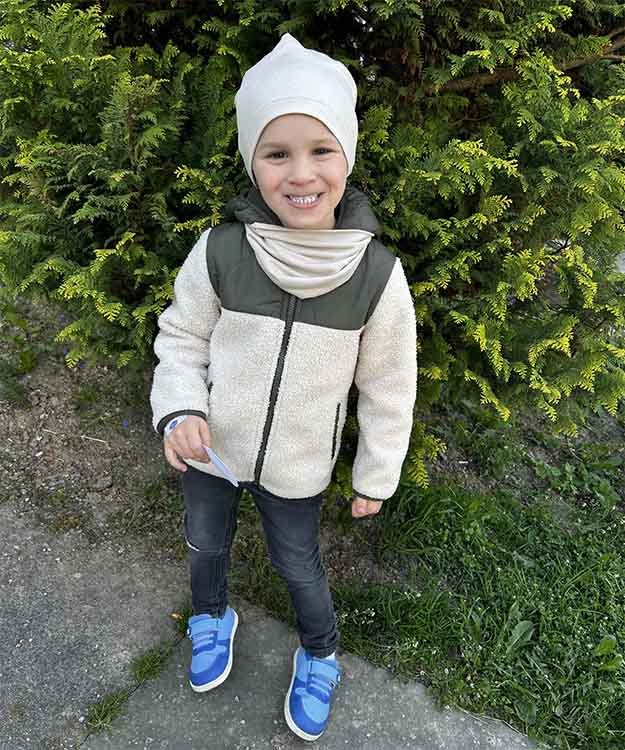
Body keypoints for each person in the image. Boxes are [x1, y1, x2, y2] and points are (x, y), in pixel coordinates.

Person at [149, 33, 417, 742]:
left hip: (300, 464)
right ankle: (211, 616)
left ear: (347, 156)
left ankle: (320, 653)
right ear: (252, 161)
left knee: (298, 563)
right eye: (276, 153)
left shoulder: (377, 276)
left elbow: (389, 386)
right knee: (204, 542)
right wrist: (179, 410)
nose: (301, 173)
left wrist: (376, 473)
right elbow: (181, 338)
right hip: (211, 449)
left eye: (320, 149)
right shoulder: (221, 251)